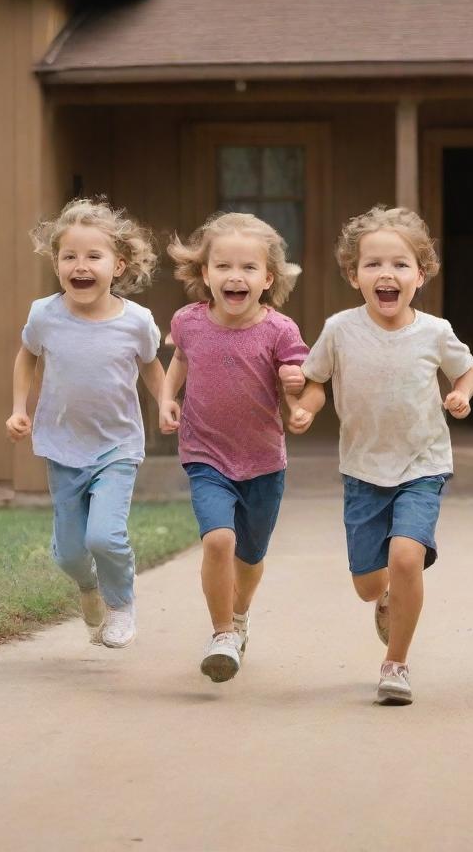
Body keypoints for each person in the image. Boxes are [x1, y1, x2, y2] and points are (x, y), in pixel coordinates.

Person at [284, 206, 473, 706]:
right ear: (354, 275)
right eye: (373, 265)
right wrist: (303, 409)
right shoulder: (340, 329)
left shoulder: (435, 331)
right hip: (363, 469)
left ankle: (396, 664)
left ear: (420, 274)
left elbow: (466, 369)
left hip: (423, 462)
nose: (386, 274)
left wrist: (462, 395)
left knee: (406, 556)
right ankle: (387, 597)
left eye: (399, 265)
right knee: (369, 585)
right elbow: (316, 381)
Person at [6, 197, 163, 649]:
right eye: (69, 256)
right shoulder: (45, 315)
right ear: (56, 263)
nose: (80, 265)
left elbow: (151, 365)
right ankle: (89, 587)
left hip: (117, 446)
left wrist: (168, 401)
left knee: (105, 535)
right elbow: (27, 357)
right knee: (72, 553)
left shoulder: (136, 322)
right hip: (61, 445)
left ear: (119, 264)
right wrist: (20, 408)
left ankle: (120, 606)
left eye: (94, 256)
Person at [159, 212, 308, 683]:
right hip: (206, 454)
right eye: (223, 266)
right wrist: (167, 397)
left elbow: (298, 382)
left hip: (264, 460)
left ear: (268, 278)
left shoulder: (280, 330)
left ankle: (239, 616)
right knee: (219, 539)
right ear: (205, 273)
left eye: (248, 268)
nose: (234, 276)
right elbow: (180, 360)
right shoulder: (188, 322)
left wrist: (296, 393)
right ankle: (222, 632)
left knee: (251, 556)